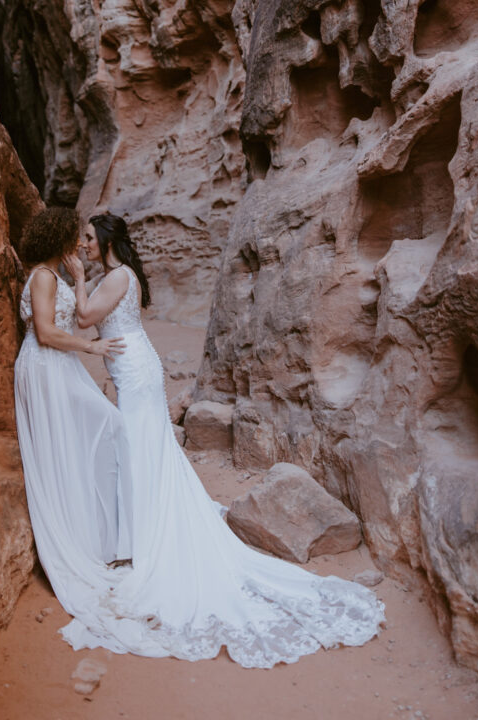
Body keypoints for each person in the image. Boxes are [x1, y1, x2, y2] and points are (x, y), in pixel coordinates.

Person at [60, 212, 385, 667]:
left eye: (90, 237)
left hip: (134, 370)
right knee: (141, 448)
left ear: (108, 239)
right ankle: (135, 533)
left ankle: (139, 539)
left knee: (139, 449)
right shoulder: (120, 275)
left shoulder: (116, 276)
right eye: (83, 239)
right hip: (132, 365)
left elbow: (83, 316)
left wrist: (76, 278)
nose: (84, 244)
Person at [13, 206, 133, 629]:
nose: (77, 244)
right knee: (91, 432)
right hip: (47, 365)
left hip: (57, 366)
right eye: (72, 236)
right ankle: (80, 543)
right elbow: (45, 331)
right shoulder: (44, 277)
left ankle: (101, 537)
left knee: (98, 429)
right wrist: (91, 348)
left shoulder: (52, 275)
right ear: (57, 238)